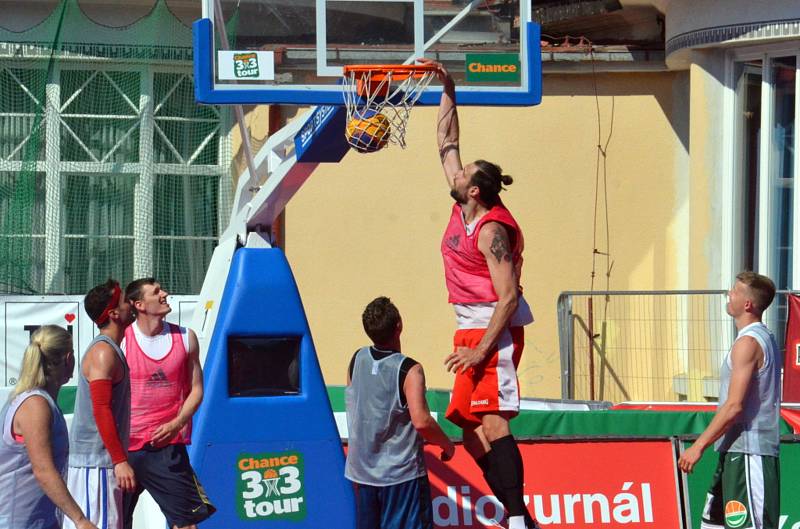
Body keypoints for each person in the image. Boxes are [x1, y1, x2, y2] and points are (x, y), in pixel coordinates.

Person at [420, 58, 538, 529]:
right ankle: (518, 514)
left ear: (472, 190)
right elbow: (447, 142)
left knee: (493, 423)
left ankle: (514, 517)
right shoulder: (463, 207)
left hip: (495, 328)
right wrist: (448, 88)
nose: (454, 172)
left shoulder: (492, 230)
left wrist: (481, 352)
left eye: (461, 173)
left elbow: (507, 299)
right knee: (466, 425)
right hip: (468, 325)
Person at [679, 271, 781, 529]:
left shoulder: (749, 342)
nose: (729, 294)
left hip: (750, 451)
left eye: (734, 291)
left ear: (747, 304)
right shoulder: (754, 338)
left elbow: (734, 405)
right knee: (712, 525)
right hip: (733, 450)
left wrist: (698, 445)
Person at [345, 296, 455, 529]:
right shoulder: (409, 369)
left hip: (363, 472)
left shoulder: (356, 359)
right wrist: (447, 445)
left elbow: (354, 404)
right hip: (400, 475)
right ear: (399, 325)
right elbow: (422, 421)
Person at [121, 278, 214, 529]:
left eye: (163, 288)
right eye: (156, 291)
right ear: (139, 304)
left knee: (186, 523)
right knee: (115, 522)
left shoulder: (185, 337)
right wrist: (115, 457)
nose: (165, 293)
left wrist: (176, 424)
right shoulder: (121, 341)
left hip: (166, 448)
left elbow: (197, 390)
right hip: (124, 450)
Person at [0, 326, 98, 529]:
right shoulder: (35, 405)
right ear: (69, 358)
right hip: (18, 521)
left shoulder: (39, 402)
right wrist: (80, 520)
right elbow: (43, 470)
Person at [65, 279, 136, 529]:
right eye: (126, 300)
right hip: (94, 465)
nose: (132, 303)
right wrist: (119, 460)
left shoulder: (111, 349)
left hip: (99, 464)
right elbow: (101, 409)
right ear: (114, 313)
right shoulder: (103, 352)